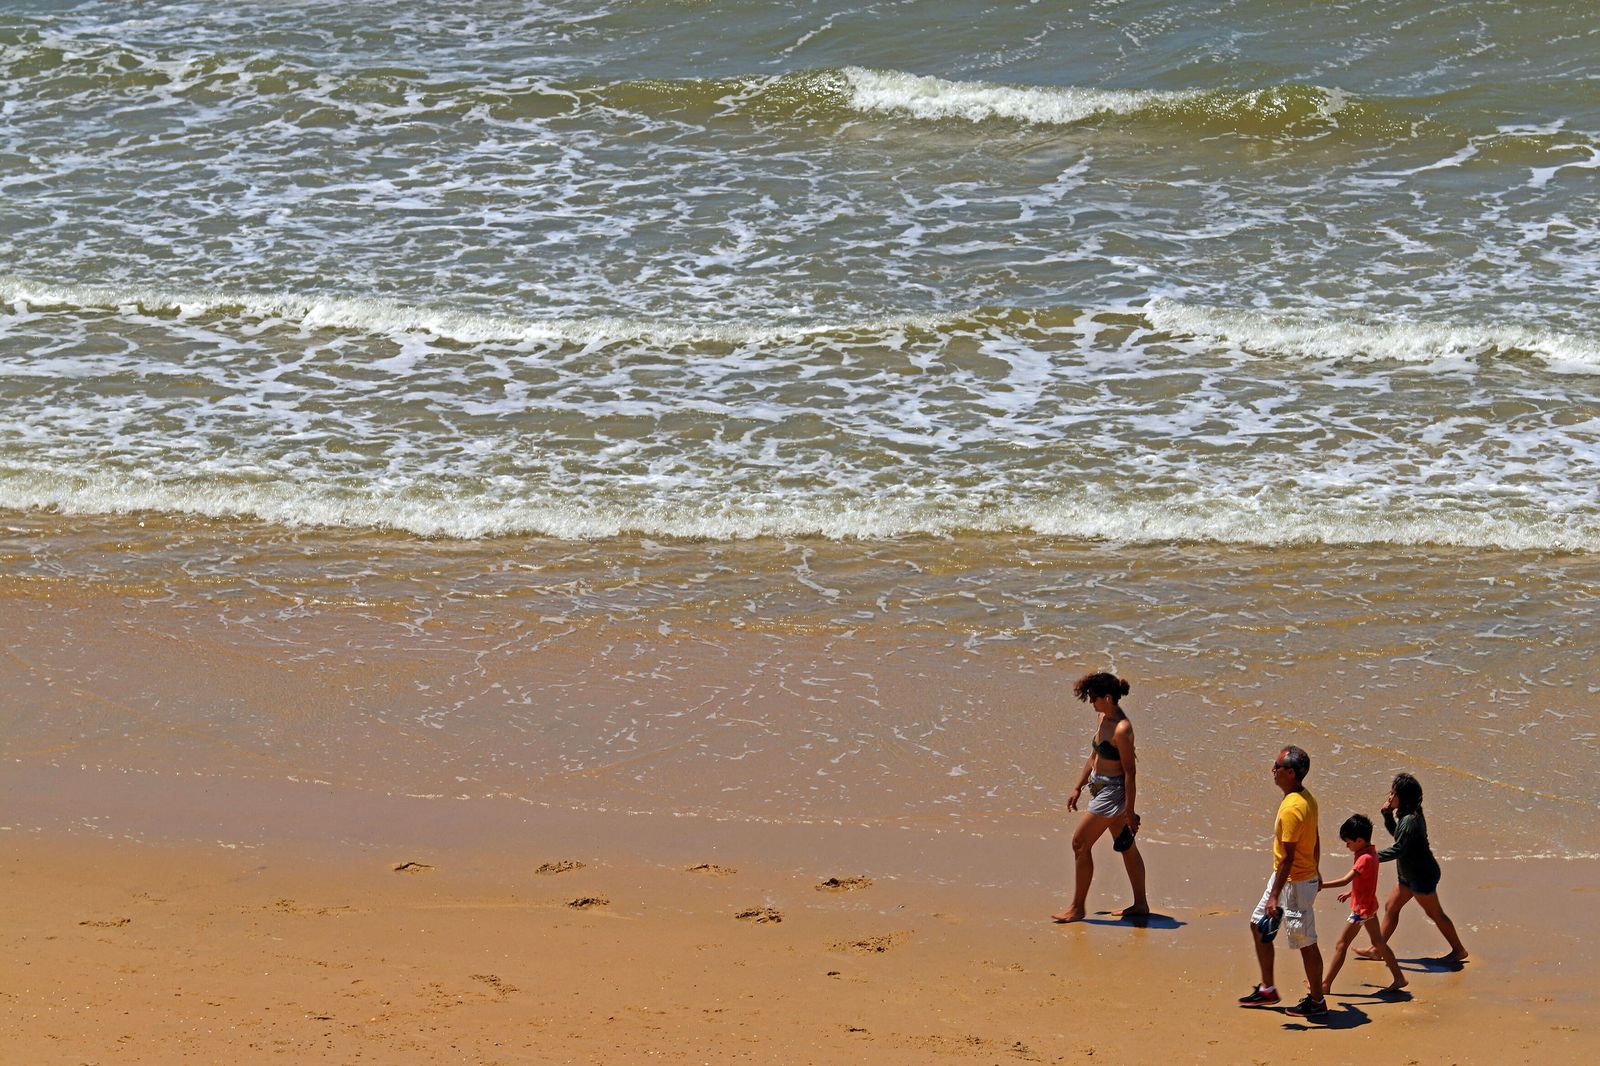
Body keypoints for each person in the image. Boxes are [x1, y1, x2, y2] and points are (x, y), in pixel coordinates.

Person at [1050, 671, 1147, 923]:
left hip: (1113, 793)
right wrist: (1078, 787)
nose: (1091, 703)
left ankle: (1077, 908)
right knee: (1126, 846)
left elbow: (1130, 772)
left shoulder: (1122, 729)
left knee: (1079, 843)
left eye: (1093, 698)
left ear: (1107, 697)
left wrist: (1129, 810)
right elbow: (1094, 756)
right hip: (1098, 787)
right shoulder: (1104, 719)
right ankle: (1141, 904)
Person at [1239, 745, 1325, 1017]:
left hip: (1295, 884)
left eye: (1277, 767)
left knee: (1306, 942)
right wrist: (1317, 867)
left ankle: (1317, 1001)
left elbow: (1288, 858)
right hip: (1286, 878)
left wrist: (1275, 896)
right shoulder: (1306, 798)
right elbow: (1315, 836)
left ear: (1290, 773)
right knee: (1257, 925)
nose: (1272, 771)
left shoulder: (1292, 808)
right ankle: (1268, 989)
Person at [1355, 772, 1469, 963]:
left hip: (1421, 876)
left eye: (1394, 793)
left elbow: (1399, 849)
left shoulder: (1410, 820)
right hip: (1409, 874)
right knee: (1391, 907)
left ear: (1404, 797)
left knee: (1435, 913)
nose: (1390, 796)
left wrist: (1370, 857)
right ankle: (1377, 950)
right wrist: (1387, 815)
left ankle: (1459, 950)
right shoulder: (1409, 815)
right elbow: (1400, 837)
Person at [1318, 814, 1407, 994]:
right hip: (1368, 906)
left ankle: (1325, 985)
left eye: (1348, 842)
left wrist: (1319, 886)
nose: (1347, 845)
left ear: (1359, 840)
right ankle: (1399, 978)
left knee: (1341, 944)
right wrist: (1352, 892)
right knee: (1379, 942)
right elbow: (1367, 880)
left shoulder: (1363, 858)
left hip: (1361, 911)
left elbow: (1345, 880)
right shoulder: (1371, 852)